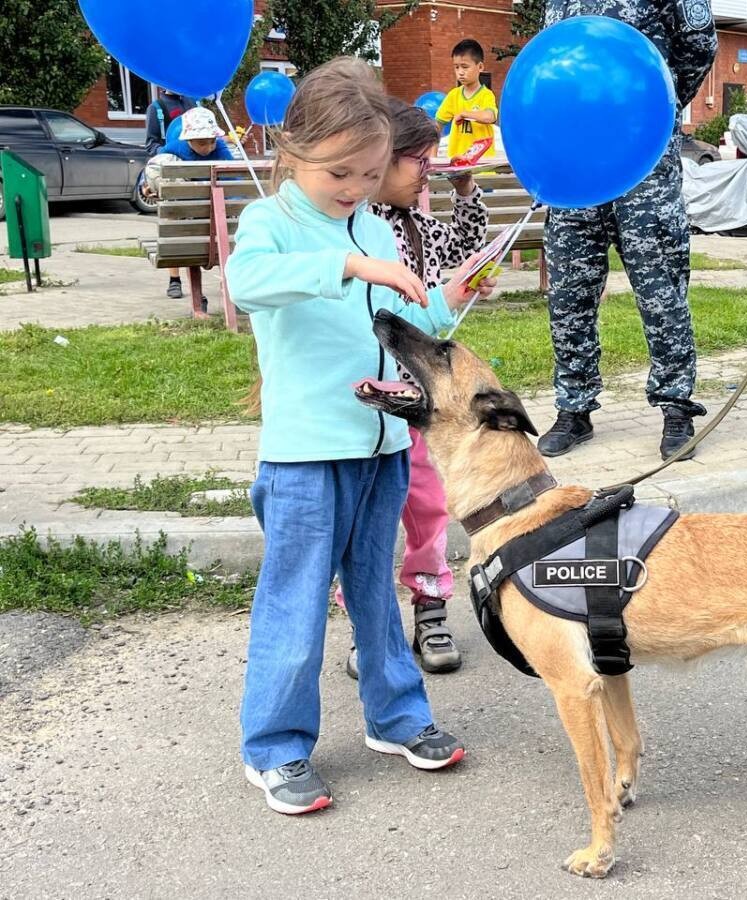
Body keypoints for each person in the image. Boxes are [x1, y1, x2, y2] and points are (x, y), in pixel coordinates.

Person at [225, 57, 496, 815]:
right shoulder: (271, 223)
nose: (355, 189)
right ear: (293, 149)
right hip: (306, 455)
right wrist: (347, 261)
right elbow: (246, 283)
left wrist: (447, 297)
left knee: (377, 593)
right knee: (298, 601)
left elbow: (403, 327)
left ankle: (397, 716)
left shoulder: (374, 224)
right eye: (340, 172)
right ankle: (275, 747)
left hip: (380, 446)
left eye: (371, 174)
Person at [337, 98, 490, 678]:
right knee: (367, 520)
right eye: (418, 164)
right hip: (369, 400)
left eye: (432, 164)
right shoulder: (354, 235)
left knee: (426, 509)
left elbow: (465, 242)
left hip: (422, 404)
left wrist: (468, 190)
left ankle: (430, 608)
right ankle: (365, 625)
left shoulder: (422, 227)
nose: (427, 174)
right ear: (380, 161)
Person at [536, 1, 717, 461]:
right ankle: (573, 408)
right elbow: (552, 64)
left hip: (644, 164)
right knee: (568, 293)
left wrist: (654, 107)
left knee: (661, 292)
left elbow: (698, 46)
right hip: (574, 166)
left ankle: (676, 405)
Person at [142, 107, 236, 302]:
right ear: (188, 140)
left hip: (204, 220)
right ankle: (220, 286)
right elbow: (155, 169)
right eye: (203, 143)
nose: (209, 147)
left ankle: (176, 281)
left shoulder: (211, 147)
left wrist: (147, 185)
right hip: (195, 220)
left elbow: (151, 167)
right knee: (180, 220)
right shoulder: (176, 149)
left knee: (178, 224)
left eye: (212, 141)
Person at [435, 39, 498, 160]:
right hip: (457, 164)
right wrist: (432, 159)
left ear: (480, 67)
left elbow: (490, 117)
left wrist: (465, 114)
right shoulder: (453, 96)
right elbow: (437, 126)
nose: (460, 72)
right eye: (456, 67)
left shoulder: (486, 95)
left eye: (465, 67)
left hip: (482, 165)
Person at [144, 88, 194, 155]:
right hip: (171, 161)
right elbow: (151, 145)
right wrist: (166, 152)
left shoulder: (192, 103)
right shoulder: (155, 108)